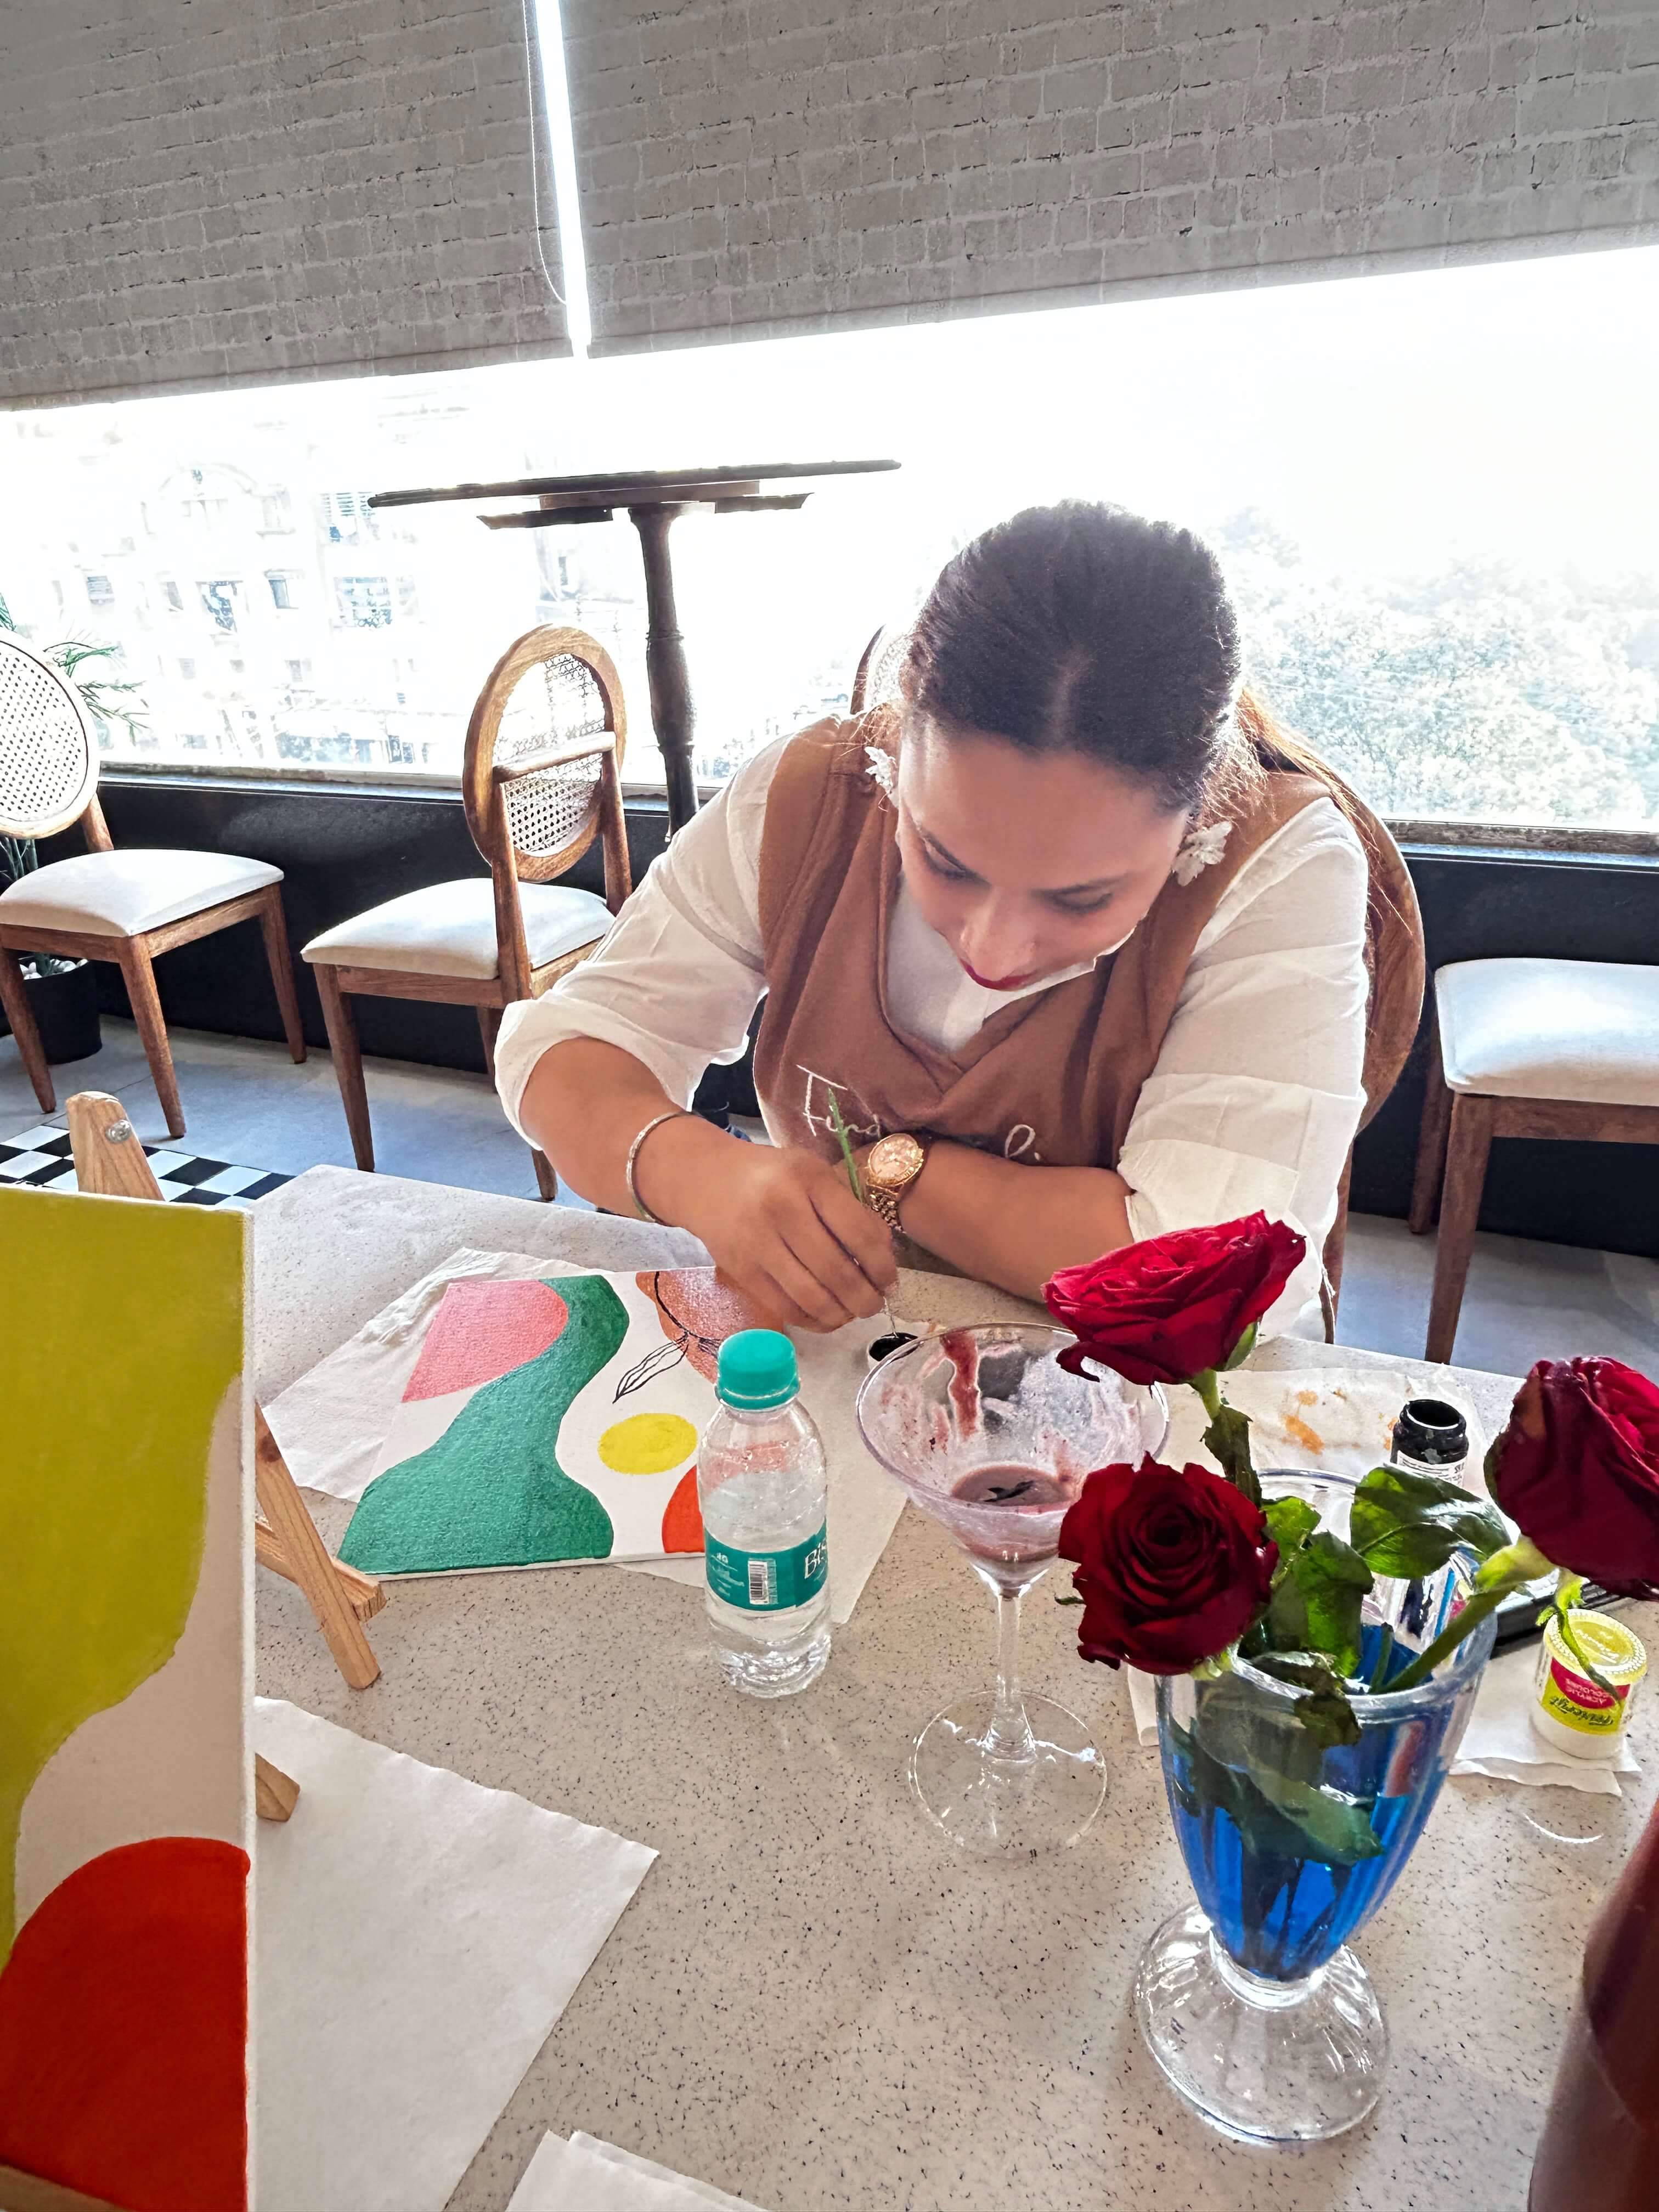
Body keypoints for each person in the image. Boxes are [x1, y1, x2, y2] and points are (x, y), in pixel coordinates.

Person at [496, 501, 1370, 1339]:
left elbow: (1208, 1275)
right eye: (944, 862)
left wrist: (891, 1172)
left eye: (1082, 899)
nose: (995, 948)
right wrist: (697, 1172)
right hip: (842, 1363)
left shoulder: (1277, 860)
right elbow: (562, 1054)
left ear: (1198, 813)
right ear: (897, 746)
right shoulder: (809, 796)